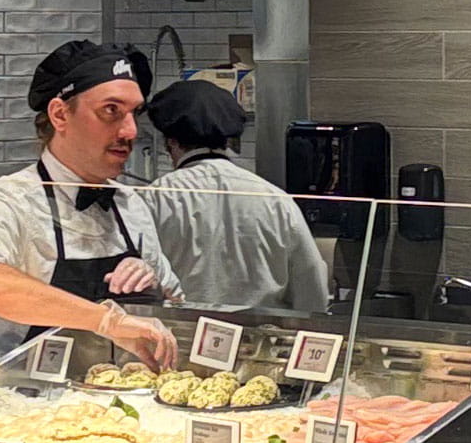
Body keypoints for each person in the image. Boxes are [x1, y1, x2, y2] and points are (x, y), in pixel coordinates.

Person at [0, 40, 181, 370]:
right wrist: (107, 320)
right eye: (111, 111)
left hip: (125, 393)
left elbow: (177, 302)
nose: (130, 131)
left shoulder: (130, 204)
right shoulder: (8, 201)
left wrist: (151, 281)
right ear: (59, 114)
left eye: (134, 114)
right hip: (20, 396)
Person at [139, 78, 331, 321]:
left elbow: (141, 281)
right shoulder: (275, 199)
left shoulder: (154, 198)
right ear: (227, 139)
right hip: (259, 337)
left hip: (180, 334)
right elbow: (312, 289)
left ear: (171, 142)